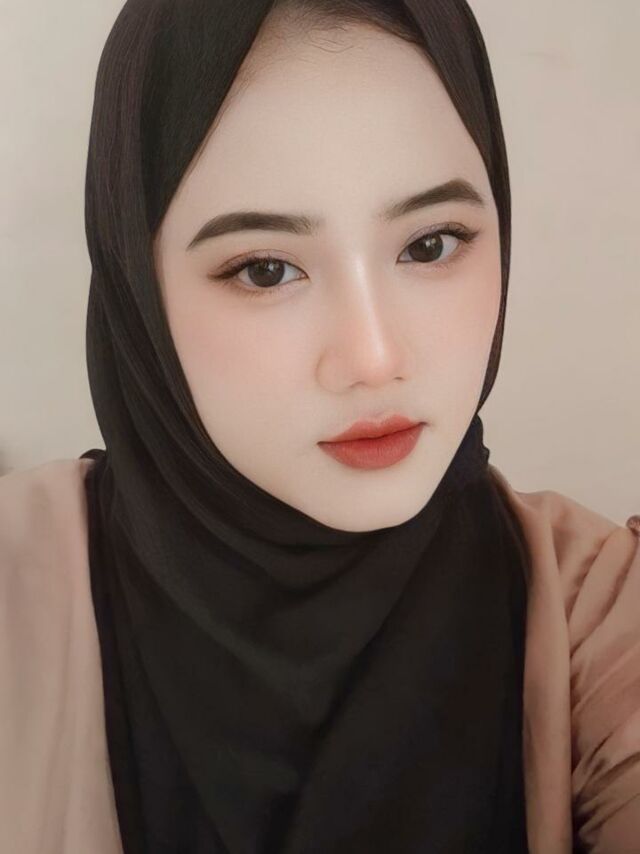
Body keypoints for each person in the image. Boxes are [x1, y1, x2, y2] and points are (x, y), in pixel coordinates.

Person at [1, 0, 638, 852]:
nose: (373, 358)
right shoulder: (17, 593)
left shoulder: (598, 614)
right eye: (266, 269)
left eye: (431, 244)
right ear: (137, 288)